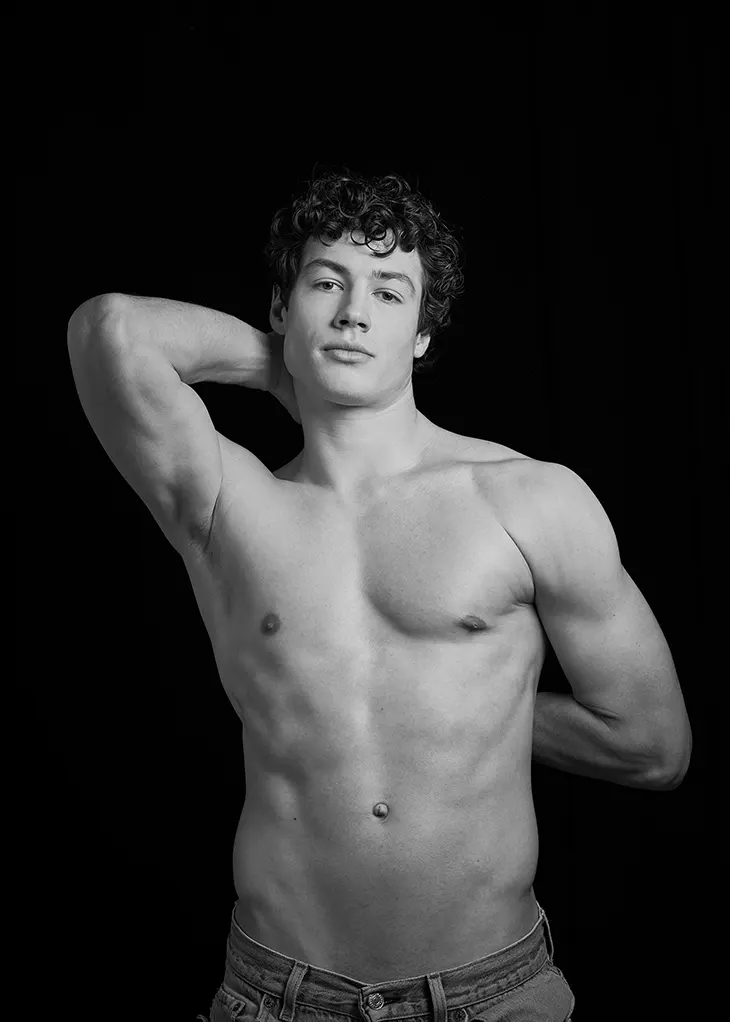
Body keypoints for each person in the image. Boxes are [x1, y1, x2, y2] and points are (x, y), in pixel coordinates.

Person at [67, 167, 691, 1021]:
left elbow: (653, 746)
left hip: (493, 995)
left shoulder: (529, 500)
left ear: (422, 336)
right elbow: (111, 329)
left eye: (390, 293)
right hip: (280, 996)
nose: (355, 313)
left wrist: (479, 711)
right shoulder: (226, 504)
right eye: (326, 285)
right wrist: (284, 370)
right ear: (281, 307)